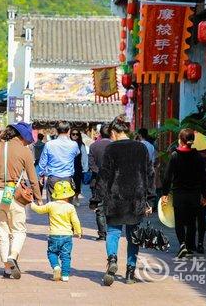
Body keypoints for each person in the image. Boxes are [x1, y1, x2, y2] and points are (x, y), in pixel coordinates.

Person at [90, 115, 154, 286]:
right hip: (136, 198)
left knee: (113, 232)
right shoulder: (141, 148)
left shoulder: (111, 149)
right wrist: (150, 199)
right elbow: (149, 173)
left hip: (115, 198)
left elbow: (104, 176)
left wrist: (96, 199)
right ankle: (130, 272)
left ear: (113, 132)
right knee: (133, 235)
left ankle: (112, 260)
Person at [0, 122, 43, 279]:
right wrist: (38, 198)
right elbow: (33, 178)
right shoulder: (24, 152)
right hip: (15, 196)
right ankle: (13, 256)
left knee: (1, 232)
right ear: (22, 137)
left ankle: (7, 268)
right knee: (19, 230)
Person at [162, 129, 206, 258]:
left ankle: (182, 244)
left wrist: (165, 193)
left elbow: (167, 177)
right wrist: (205, 195)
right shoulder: (198, 157)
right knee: (191, 222)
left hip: (179, 194)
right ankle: (189, 247)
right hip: (194, 194)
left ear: (180, 140)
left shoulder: (175, 156)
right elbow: (203, 177)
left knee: (179, 221)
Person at [31, 181, 82, 282]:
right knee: (66, 256)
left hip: (53, 235)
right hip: (67, 236)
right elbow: (75, 221)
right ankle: (65, 275)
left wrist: (31, 203)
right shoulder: (70, 207)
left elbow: (39, 210)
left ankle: (56, 267)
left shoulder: (51, 205)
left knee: (52, 253)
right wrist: (78, 231)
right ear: (68, 196)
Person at [38, 121, 80, 199]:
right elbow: (77, 153)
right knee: (66, 205)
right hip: (67, 178)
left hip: (53, 178)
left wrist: (41, 175)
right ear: (69, 131)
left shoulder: (49, 144)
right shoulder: (74, 144)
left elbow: (43, 161)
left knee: (52, 205)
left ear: (57, 131)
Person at [88, 123, 111, 241]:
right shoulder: (115, 146)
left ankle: (102, 234)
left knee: (100, 209)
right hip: (112, 181)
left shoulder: (93, 146)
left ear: (100, 133)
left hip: (97, 181)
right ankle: (112, 232)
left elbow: (91, 165)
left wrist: (99, 172)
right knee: (112, 207)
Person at [70, 128, 88, 206]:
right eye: (73, 134)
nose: (75, 136)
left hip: (78, 167)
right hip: (68, 167)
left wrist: (85, 168)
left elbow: (84, 157)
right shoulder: (67, 144)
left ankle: (76, 197)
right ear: (70, 135)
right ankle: (70, 199)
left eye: (77, 134)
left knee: (77, 184)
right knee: (69, 184)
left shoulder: (81, 144)